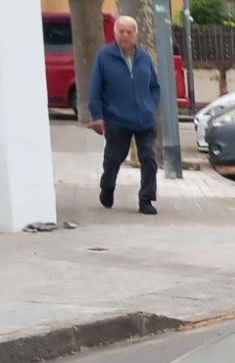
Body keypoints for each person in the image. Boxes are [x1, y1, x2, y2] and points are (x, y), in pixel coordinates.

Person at [87, 15, 162, 215]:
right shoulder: (104, 56)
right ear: (115, 33)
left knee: (149, 158)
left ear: (136, 34)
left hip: (144, 119)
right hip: (116, 119)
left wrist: (151, 105)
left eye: (130, 32)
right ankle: (107, 186)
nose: (125, 36)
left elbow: (154, 86)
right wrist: (97, 116)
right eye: (121, 31)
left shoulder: (144, 57)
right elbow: (95, 89)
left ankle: (146, 199)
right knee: (114, 158)